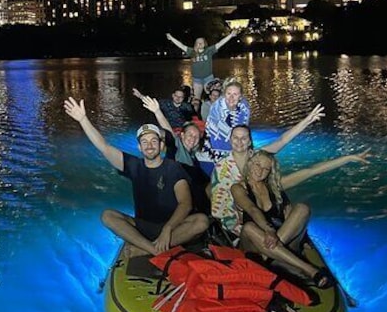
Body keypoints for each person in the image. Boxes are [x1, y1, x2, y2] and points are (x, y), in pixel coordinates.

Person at [64, 97, 210, 255]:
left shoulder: (173, 168)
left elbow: (185, 203)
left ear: (161, 146)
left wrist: (168, 229)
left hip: (173, 227)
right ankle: (153, 249)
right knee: (108, 216)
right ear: (139, 147)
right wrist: (83, 119)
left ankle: (144, 249)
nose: (150, 145)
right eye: (145, 142)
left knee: (201, 221)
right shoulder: (134, 166)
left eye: (154, 141)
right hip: (142, 226)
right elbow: (104, 147)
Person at [231, 149, 371, 287]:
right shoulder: (238, 188)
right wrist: (269, 231)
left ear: (269, 172)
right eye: (257, 164)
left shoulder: (275, 186)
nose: (260, 170)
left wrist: (349, 158)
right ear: (250, 163)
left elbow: (311, 171)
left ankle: (276, 258)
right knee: (249, 228)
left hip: (279, 244)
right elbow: (252, 209)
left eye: (266, 168)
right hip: (254, 249)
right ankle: (309, 269)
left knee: (302, 208)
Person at [210, 105, 326, 239]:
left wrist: (308, 120)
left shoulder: (258, 156)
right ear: (230, 140)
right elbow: (221, 207)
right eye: (236, 138)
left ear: (249, 142)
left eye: (244, 138)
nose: (239, 142)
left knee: (283, 200)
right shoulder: (222, 168)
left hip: (262, 211)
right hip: (241, 221)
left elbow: (283, 140)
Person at [137, 92, 209, 213]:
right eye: (190, 135)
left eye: (196, 137)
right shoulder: (176, 147)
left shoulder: (195, 155)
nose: (193, 138)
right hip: (177, 193)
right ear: (182, 135)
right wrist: (157, 111)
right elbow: (168, 131)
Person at [197, 79, 251, 177]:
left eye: (235, 94)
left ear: (240, 96)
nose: (231, 97)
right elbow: (212, 131)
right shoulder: (216, 108)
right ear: (224, 94)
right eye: (228, 93)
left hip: (235, 148)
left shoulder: (244, 109)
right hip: (212, 149)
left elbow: (244, 130)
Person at [166, 29, 238, 100]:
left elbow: (220, 43)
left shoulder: (209, 50)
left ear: (204, 44)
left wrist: (231, 35)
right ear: (195, 44)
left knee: (213, 96)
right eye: (198, 42)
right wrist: (171, 38)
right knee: (196, 99)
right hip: (197, 79)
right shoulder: (192, 52)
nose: (200, 43)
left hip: (208, 78)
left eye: (201, 42)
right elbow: (181, 45)